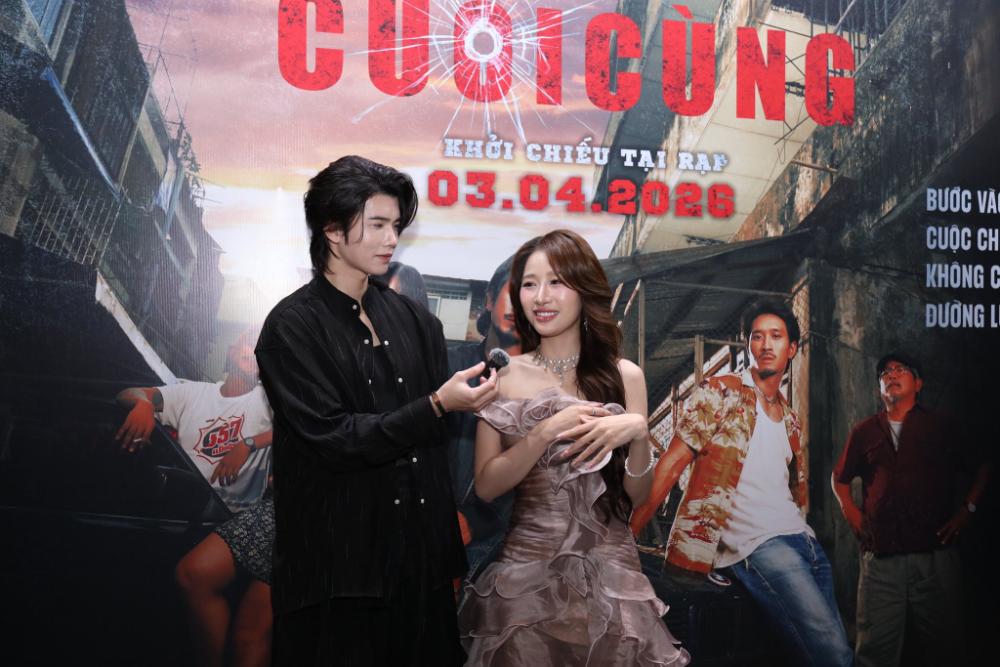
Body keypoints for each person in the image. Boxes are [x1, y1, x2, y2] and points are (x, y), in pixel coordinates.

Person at [254, 155, 499, 666]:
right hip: (338, 569)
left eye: (397, 226)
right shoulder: (291, 327)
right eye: (378, 225)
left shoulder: (417, 321)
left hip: (421, 569)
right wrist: (436, 404)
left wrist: (444, 554)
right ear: (333, 230)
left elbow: (431, 449)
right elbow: (335, 439)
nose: (392, 239)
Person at [459, 229, 690, 666]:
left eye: (556, 282)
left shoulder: (626, 376)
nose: (541, 297)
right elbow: (487, 486)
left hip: (610, 575)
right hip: (527, 577)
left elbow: (638, 494)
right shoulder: (502, 376)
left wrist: (638, 432)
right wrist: (544, 432)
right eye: (530, 284)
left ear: (584, 290)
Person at [630, 299, 853, 667]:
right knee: (835, 656)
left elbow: (787, 491)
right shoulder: (720, 391)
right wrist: (626, 537)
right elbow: (670, 465)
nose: (765, 344)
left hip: (806, 542)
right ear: (748, 344)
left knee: (813, 654)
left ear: (792, 349)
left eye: (776, 336)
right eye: (757, 336)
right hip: (760, 546)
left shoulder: (791, 420)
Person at [115, 330, 274, 667]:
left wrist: (248, 443)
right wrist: (144, 404)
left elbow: (305, 424)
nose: (253, 352)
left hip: (232, 520)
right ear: (232, 350)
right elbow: (127, 393)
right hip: (181, 516)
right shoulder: (193, 393)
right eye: (249, 342)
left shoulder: (267, 399)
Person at [832, 351, 991, 667]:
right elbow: (839, 479)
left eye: (900, 369)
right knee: (874, 652)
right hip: (880, 562)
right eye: (885, 372)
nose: (891, 374)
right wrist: (851, 512)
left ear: (918, 384)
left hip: (934, 558)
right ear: (880, 388)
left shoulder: (940, 426)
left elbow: (982, 467)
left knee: (946, 649)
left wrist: (967, 510)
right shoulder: (865, 431)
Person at [446, 255, 521, 584]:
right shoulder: (448, 365)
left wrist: (473, 521)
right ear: (489, 300)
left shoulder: (547, 389)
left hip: (496, 548)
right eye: (513, 291)